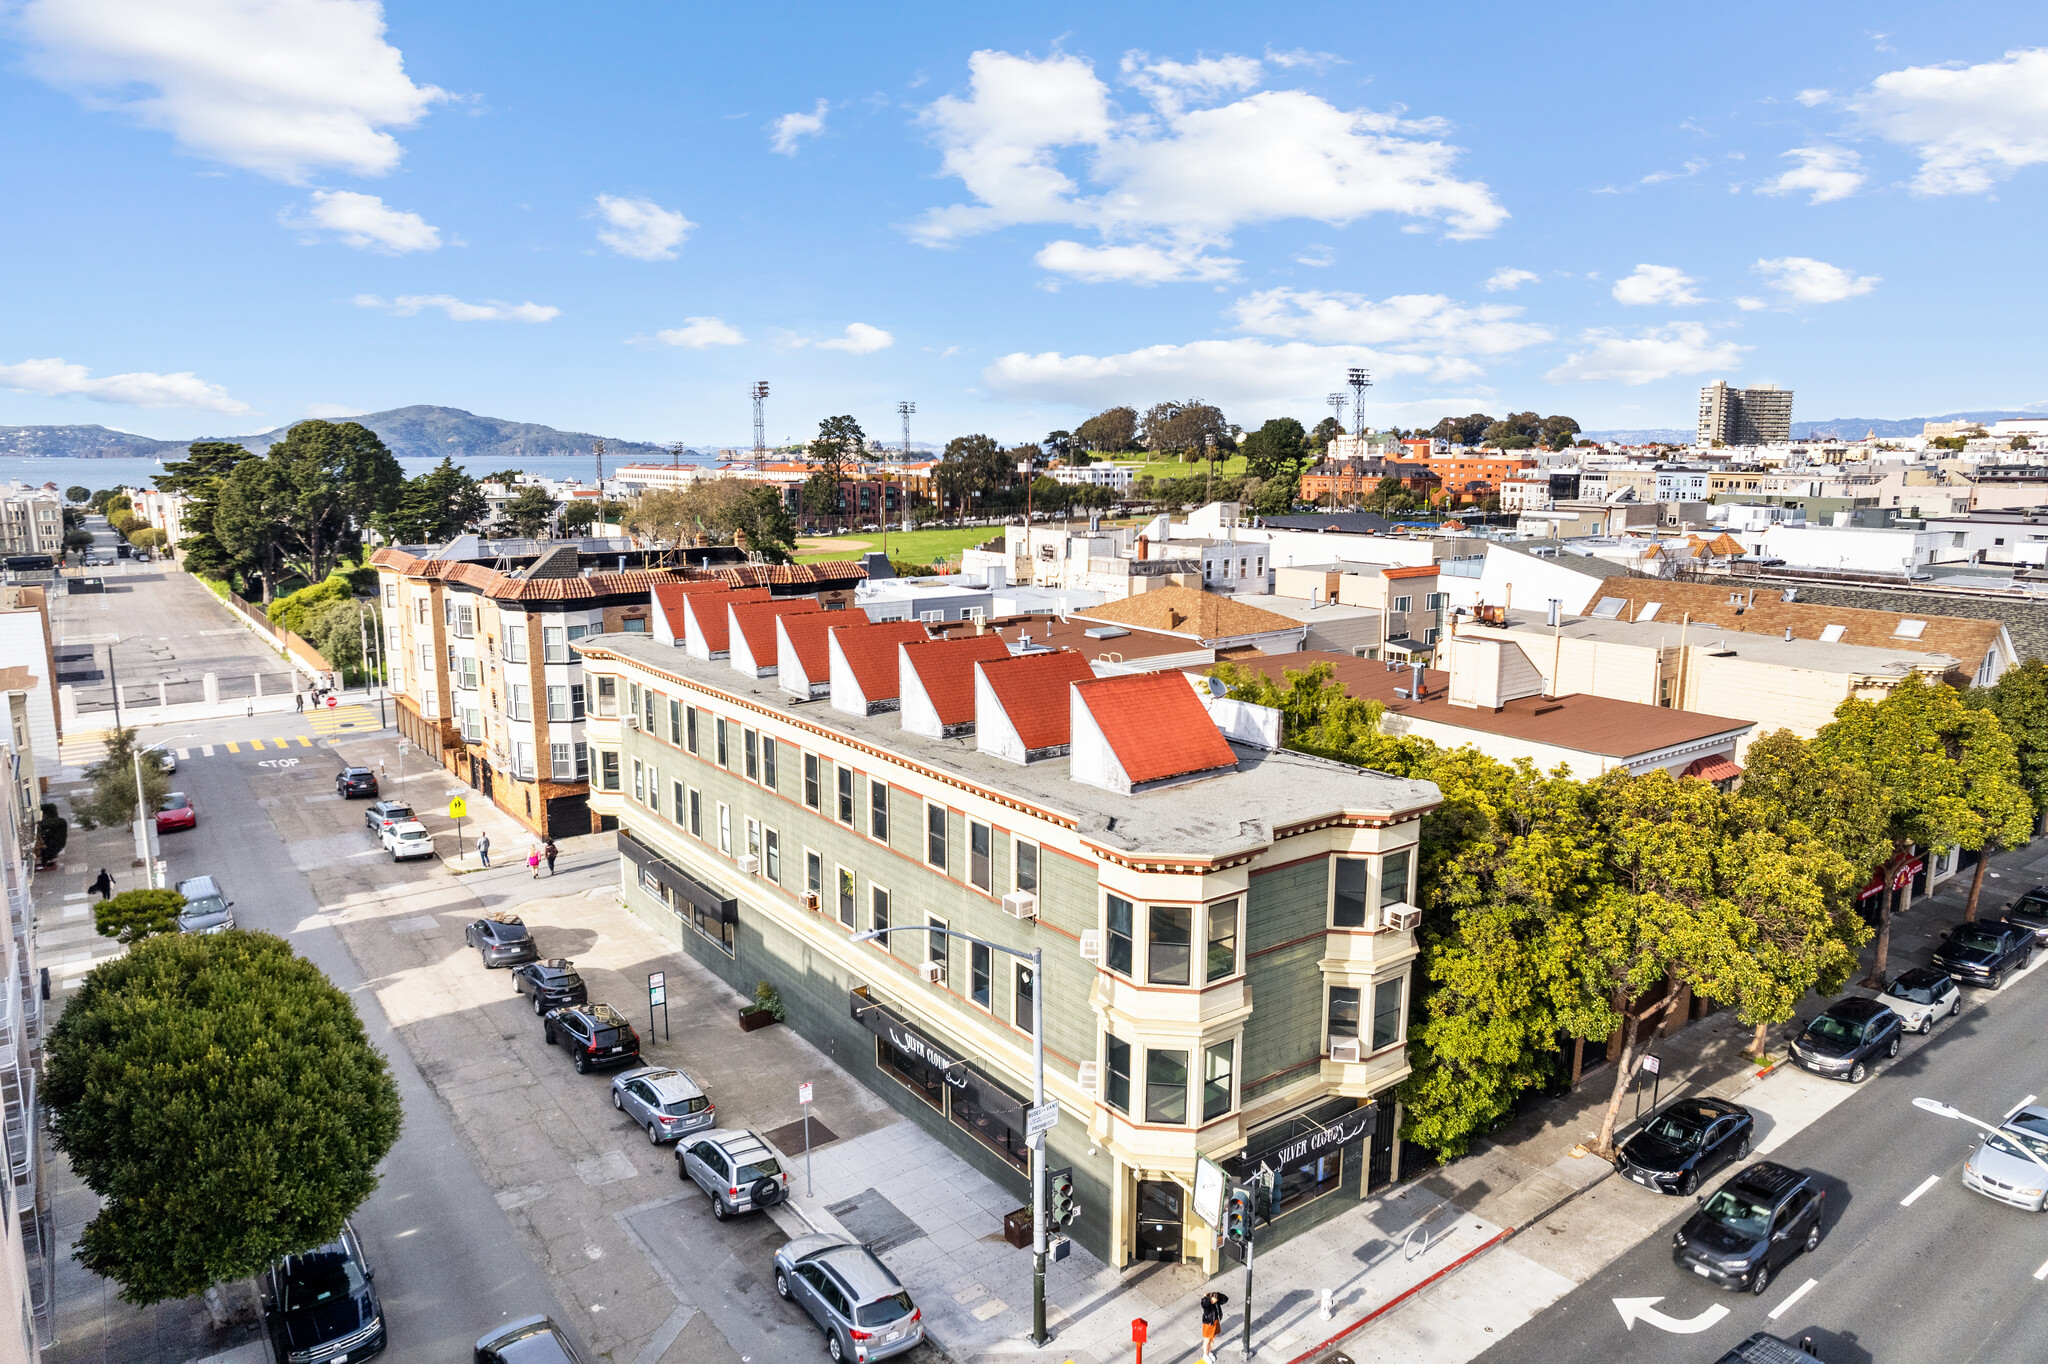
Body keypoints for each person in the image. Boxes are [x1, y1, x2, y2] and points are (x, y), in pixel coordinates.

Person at [1199, 1291, 1229, 1362]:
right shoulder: (1207, 1304)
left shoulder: (1216, 1303)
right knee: (1207, 1340)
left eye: (1215, 1300)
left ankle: (1209, 1352)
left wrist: (1217, 1294)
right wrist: (1206, 1297)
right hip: (1208, 1324)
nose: (1213, 1301)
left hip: (1215, 1322)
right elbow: (1204, 1303)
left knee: (1213, 1339)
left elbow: (1225, 1299)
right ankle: (1205, 1355)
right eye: (1212, 1300)